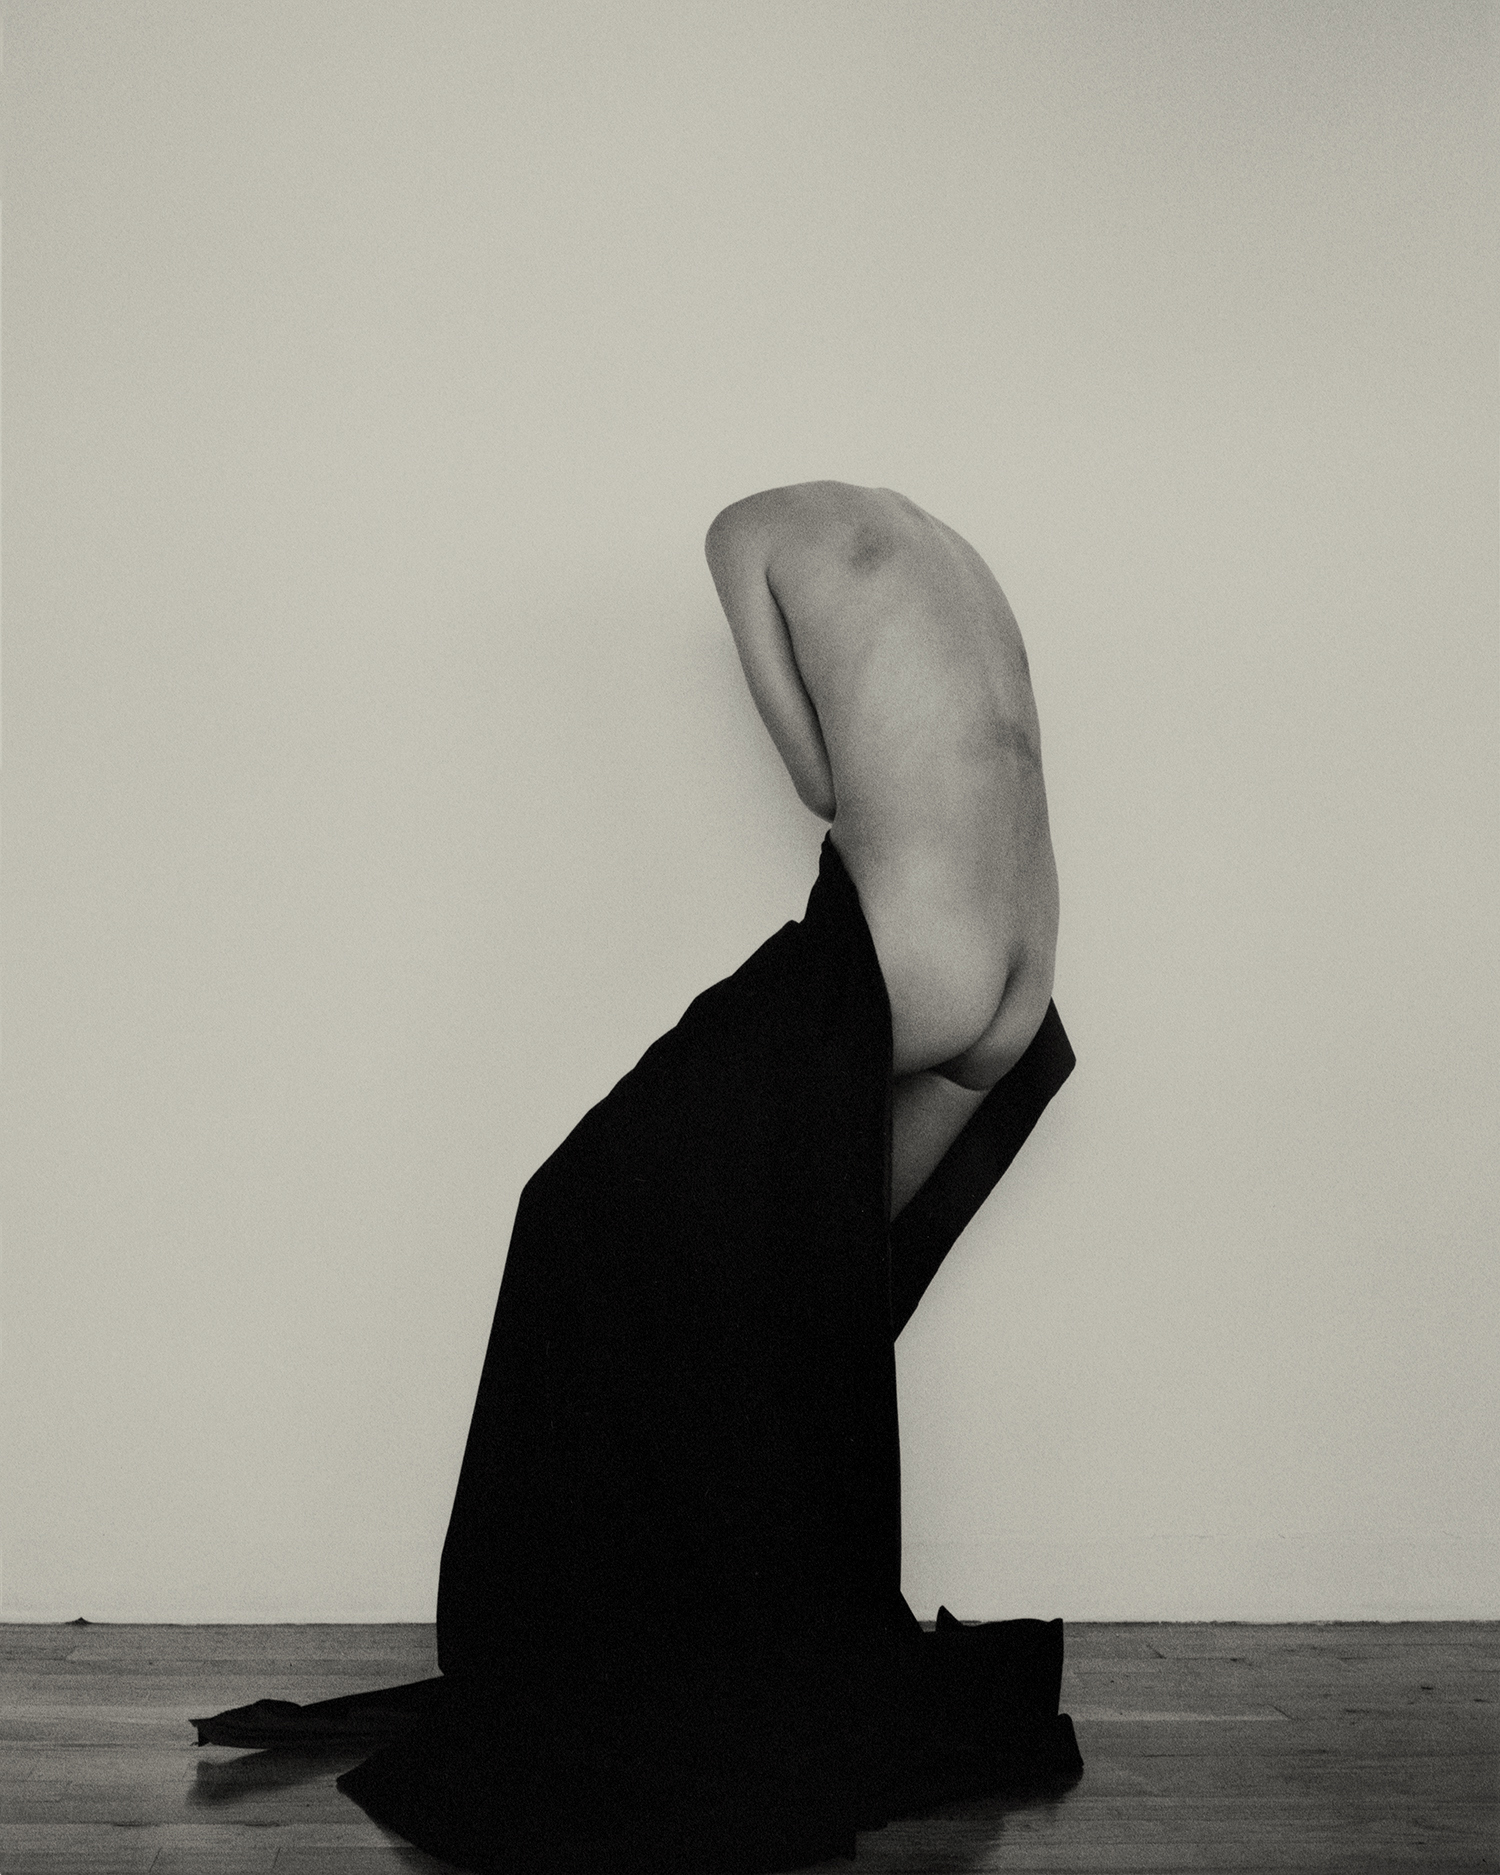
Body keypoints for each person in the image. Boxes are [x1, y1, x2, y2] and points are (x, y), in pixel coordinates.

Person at [194, 482, 1081, 1872]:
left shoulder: (750, 529)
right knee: (798, 1300)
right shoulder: (950, 552)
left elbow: (822, 782)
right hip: (1020, 968)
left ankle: (603, 1641)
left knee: (577, 1214)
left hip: (909, 956)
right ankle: (747, 1624)